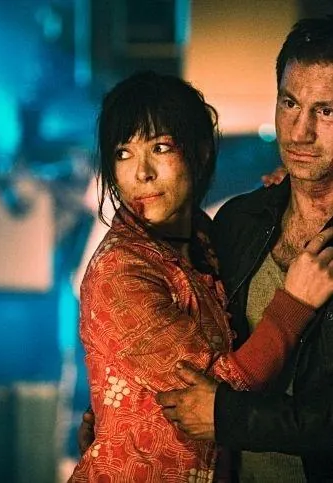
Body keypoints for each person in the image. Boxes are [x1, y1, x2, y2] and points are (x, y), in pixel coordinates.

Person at [69, 70, 333, 482]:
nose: (141, 173)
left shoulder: (207, 235)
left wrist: (288, 190)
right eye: (123, 153)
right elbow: (211, 400)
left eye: (160, 148)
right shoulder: (121, 270)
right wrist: (293, 305)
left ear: (201, 152)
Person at [154, 15, 333, 482]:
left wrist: (227, 416)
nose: (300, 131)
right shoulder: (238, 222)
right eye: (290, 103)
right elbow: (197, 352)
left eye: (326, 111)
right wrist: (126, 420)